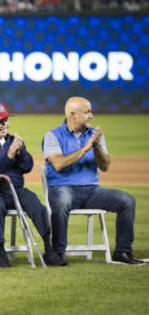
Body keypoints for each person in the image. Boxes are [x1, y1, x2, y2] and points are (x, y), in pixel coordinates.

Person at [43, 96, 144, 265]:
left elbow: (105, 166)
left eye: (91, 111)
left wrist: (96, 146)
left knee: (127, 201)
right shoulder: (52, 135)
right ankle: (58, 253)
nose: (91, 116)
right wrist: (86, 147)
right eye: (87, 112)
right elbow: (59, 164)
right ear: (73, 115)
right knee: (61, 203)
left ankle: (122, 252)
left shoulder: (94, 136)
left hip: (92, 191)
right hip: (62, 188)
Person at [0, 103, 62, 268]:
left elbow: (27, 167)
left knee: (35, 202)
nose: (4, 124)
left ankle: (49, 249)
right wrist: (9, 155)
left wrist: (20, 154)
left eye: (5, 120)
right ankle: (1, 252)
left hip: (16, 191)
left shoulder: (14, 141)